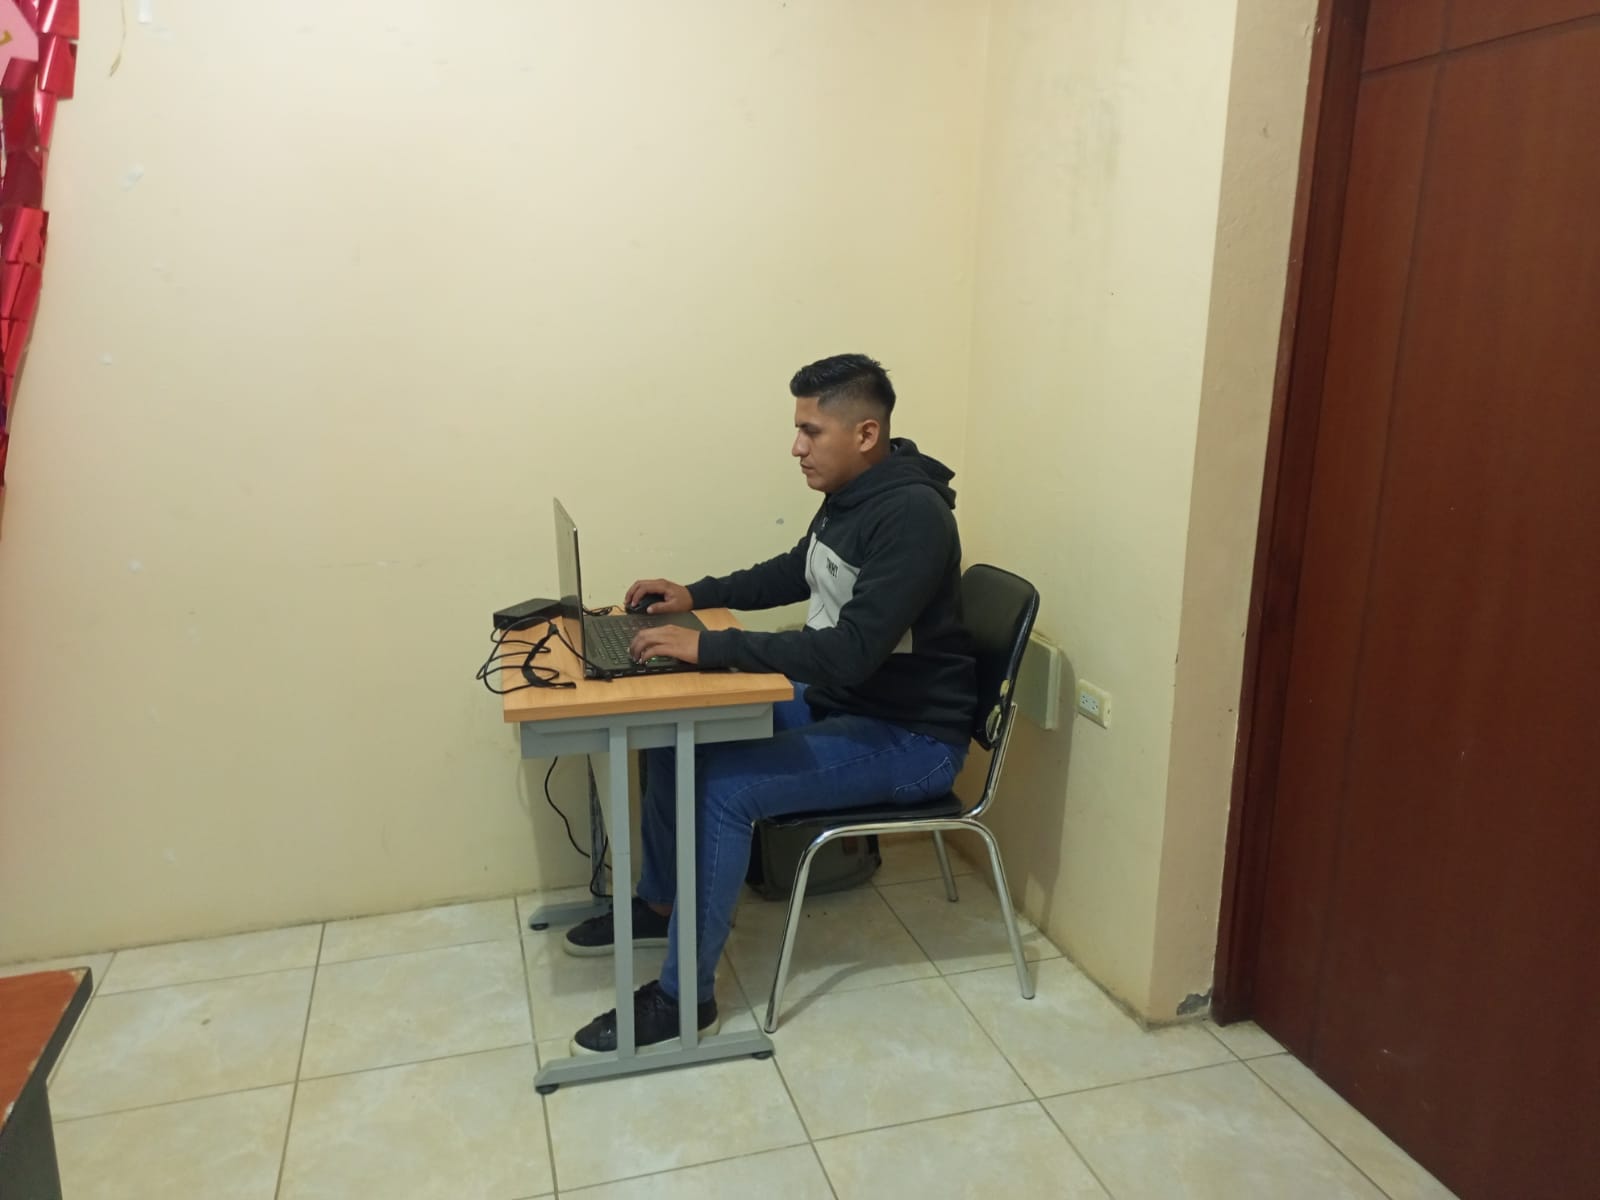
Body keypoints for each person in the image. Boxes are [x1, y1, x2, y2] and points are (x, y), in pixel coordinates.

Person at [566, 352, 978, 1053]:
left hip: (912, 737)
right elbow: (797, 569)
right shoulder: (853, 493)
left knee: (724, 786)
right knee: (675, 729)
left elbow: (850, 652)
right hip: (848, 703)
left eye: (811, 431)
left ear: (866, 434)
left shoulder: (913, 516)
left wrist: (711, 648)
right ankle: (660, 902)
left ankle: (684, 1000)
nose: (796, 447)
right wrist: (697, 594)